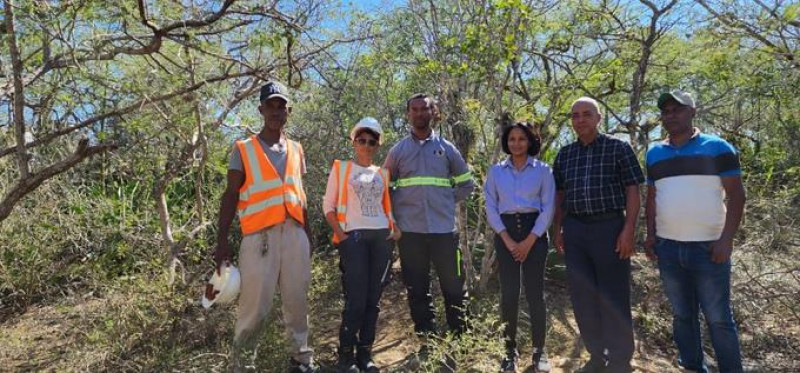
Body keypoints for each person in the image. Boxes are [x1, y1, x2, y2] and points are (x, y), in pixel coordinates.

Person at [213, 81, 318, 373]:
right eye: (270, 105)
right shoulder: (243, 149)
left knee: (297, 302)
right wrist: (222, 242)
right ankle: (243, 365)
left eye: (281, 105)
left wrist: (306, 235)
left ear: (289, 111)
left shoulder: (297, 149)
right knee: (254, 307)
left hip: (295, 235)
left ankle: (301, 360)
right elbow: (231, 195)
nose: (276, 111)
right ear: (260, 110)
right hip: (259, 238)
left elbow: (300, 194)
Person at [644, 91, 745, 373]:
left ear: (693, 111)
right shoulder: (654, 153)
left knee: (718, 318)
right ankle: (691, 365)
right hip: (668, 248)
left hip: (709, 248)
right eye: (666, 110)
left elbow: (737, 196)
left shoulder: (718, 147)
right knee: (682, 315)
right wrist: (651, 235)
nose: (671, 115)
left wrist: (726, 240)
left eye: (677, 109)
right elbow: (652, 197)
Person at [552, 97, 644, 373]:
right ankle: (596, 356)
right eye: (575, 115)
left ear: (599, 118)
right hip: (576, 230)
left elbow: (632, 191)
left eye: (586, 114)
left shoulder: (618, 148)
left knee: (613, 295)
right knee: (582, 296)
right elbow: (560, 195)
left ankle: (619, 360)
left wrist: (628, 230)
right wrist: (558, 229)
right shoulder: (565, 155)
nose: (580, 120)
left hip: (610, 228)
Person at [382, 93, 474, 343]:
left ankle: (461, 337)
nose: (420, 113)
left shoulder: (447, 149)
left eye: (425, 109)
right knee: (417, 289)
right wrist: (395, 217)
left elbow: (467, 185)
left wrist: (444, 200)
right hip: (410, 234)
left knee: (454, 286)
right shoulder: (398, 150)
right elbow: (383, 187)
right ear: (408, 114)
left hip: (444, 231)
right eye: (415, 109)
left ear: (433, 112)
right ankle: (428, 338)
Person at [323, 117, 401, 373]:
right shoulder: (342, 168)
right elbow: (328, 207)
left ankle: (365, 354)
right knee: (355, 299)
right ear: (354, 141)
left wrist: (394, 230)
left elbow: (386, 206)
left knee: (373, 299)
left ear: (378, 145)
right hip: (353, 239)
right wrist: (341, 236)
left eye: (372, 141)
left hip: (381, 239)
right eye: (362, 140)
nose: (366, 145)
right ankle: (346, 355)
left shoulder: (383, 173)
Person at [484, 122, 555, 373]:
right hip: (505, 233)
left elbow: (548, 208)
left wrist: (529, 240)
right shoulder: (496, 171)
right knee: (509, 294)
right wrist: (507, 239)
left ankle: (539, 351)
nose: (516, 143)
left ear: (530, 141)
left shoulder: (543, 170)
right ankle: (509, 352)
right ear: (507, 142)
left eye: (521, 139)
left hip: (534, 233)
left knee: (536, 295)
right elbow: (490, 207)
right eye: (512, 139)